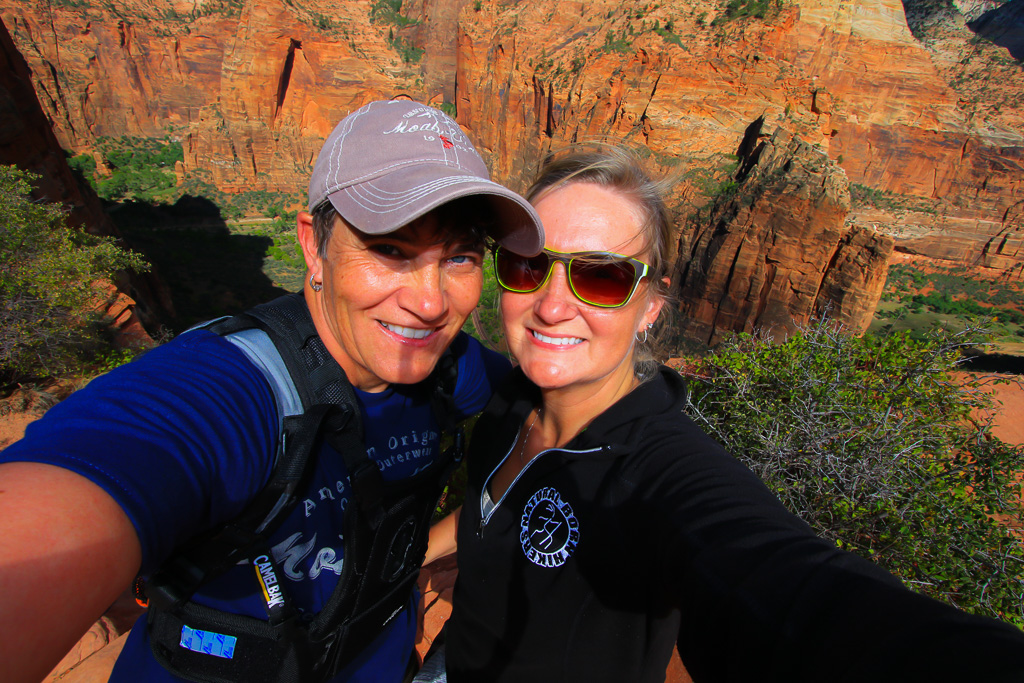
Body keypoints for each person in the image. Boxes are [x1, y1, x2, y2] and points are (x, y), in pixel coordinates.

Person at [424, 147, 1024, 682]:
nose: (552, 306)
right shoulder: (513, 397)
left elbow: (780, 582)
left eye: (601, 276)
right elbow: (493, 497)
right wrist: (441, 549)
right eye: (528, 264)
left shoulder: (656, 469)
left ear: (651, 306)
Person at [0, 99, 544, 683]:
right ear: (314, 244)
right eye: (390, 250)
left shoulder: (450, 370)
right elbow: (89, 478)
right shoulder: (230, 391)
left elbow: (555, 414)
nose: (432, 302)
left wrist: (428, 549)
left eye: (459, 256)